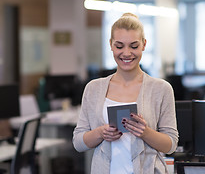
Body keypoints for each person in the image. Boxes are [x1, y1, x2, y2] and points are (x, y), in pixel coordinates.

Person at [73, 13, 178, 174]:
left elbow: (171, 144)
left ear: (144, 44)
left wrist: (145, 132)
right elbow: (78, 143)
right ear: (111, 44)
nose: (127, 53)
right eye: (119, 46)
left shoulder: (161, 89)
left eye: (134, 46)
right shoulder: (93, 88)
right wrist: (101, 132)